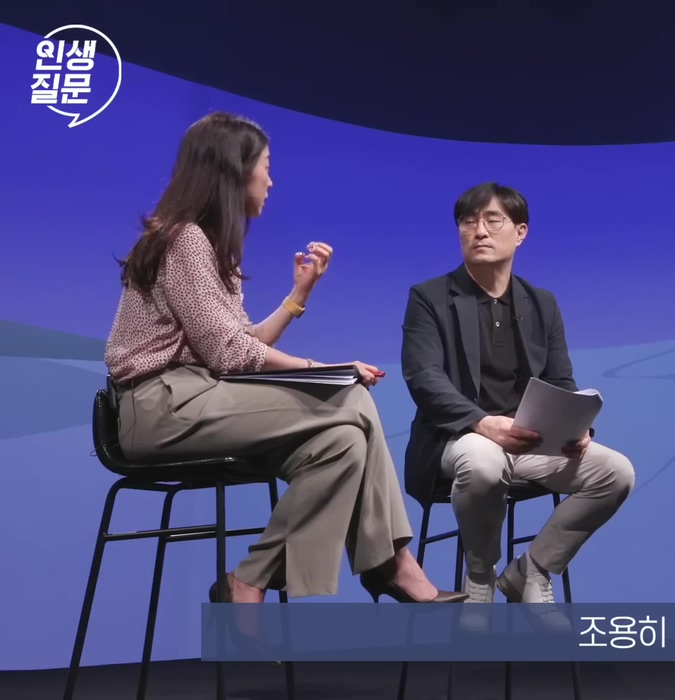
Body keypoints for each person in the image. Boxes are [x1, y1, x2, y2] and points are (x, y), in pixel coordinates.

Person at [103, 112, 466, 606]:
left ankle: (248, 581)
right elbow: (230, 354)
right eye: (266, 167)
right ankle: (394, 562)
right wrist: (321, 370)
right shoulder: (184, 240)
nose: (271, 181)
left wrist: (299, 296)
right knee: (351, 398)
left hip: (197, 397)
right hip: (160, 406)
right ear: (235, 169)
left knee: (341, 444)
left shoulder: (208, 245)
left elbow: (237, 342)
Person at [400, 182, 636, 616]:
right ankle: (480, 574)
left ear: (520, 232)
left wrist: (576, 426)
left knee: (616, 473)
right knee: (483, 460)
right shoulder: (429, 298)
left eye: (493, 221)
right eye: (468, 222)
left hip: (530, 441)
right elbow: (423, 378)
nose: (479, 231)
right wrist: (482, 423)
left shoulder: (541, 303)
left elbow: (561, 380)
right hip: (459, 440)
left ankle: (532, 569)